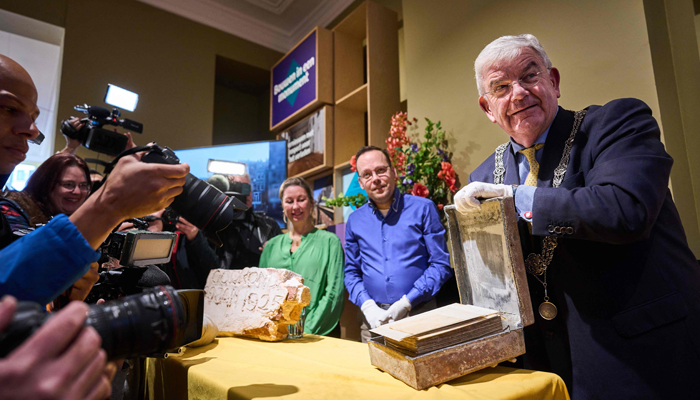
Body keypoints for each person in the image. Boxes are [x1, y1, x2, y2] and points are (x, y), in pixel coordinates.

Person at [454, 34, 700, 399]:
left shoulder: (616, 124)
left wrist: (517, 196)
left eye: (529, 76)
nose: (518, 93)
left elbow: (624, 210)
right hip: (545, 365)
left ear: (553, 81)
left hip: (640, 357)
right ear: (488, 108)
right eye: (501, 87)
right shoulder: (483, 176)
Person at [0, 55, 187, 399]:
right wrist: (108, 206)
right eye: (9, 109)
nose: (30, 129)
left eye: (33, 115)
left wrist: (74, 300)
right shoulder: (15, 209)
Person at [345, 146, 453, 342]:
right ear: (360, 182)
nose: (375, 179)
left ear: (394, 172)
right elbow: (351, 273)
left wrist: (406, 302)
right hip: (373, 324)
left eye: (381, 170)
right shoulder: (355, 221)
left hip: (420, 316)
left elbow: (440, 264)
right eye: (367, 175)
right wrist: (367, 306)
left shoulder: (424, 209)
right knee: (371, 373)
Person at [260, 177, 344, 336]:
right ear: (283, 206)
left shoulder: (330, 242)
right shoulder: (270, 246)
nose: (295, 206)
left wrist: (306, 330)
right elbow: (262, 292)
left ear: (311, 203)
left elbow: (334, 293)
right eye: (289, 201)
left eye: (301, 199)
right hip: (278, 334)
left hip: (319, 334)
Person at [215, 173, 282, 270]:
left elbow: (284, 259)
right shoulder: (217, 225)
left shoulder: (269, 225)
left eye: (247, 188)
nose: (244, 193)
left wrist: (274, 254)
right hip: (226, 283)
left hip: (261, 283)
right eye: (238, 188)